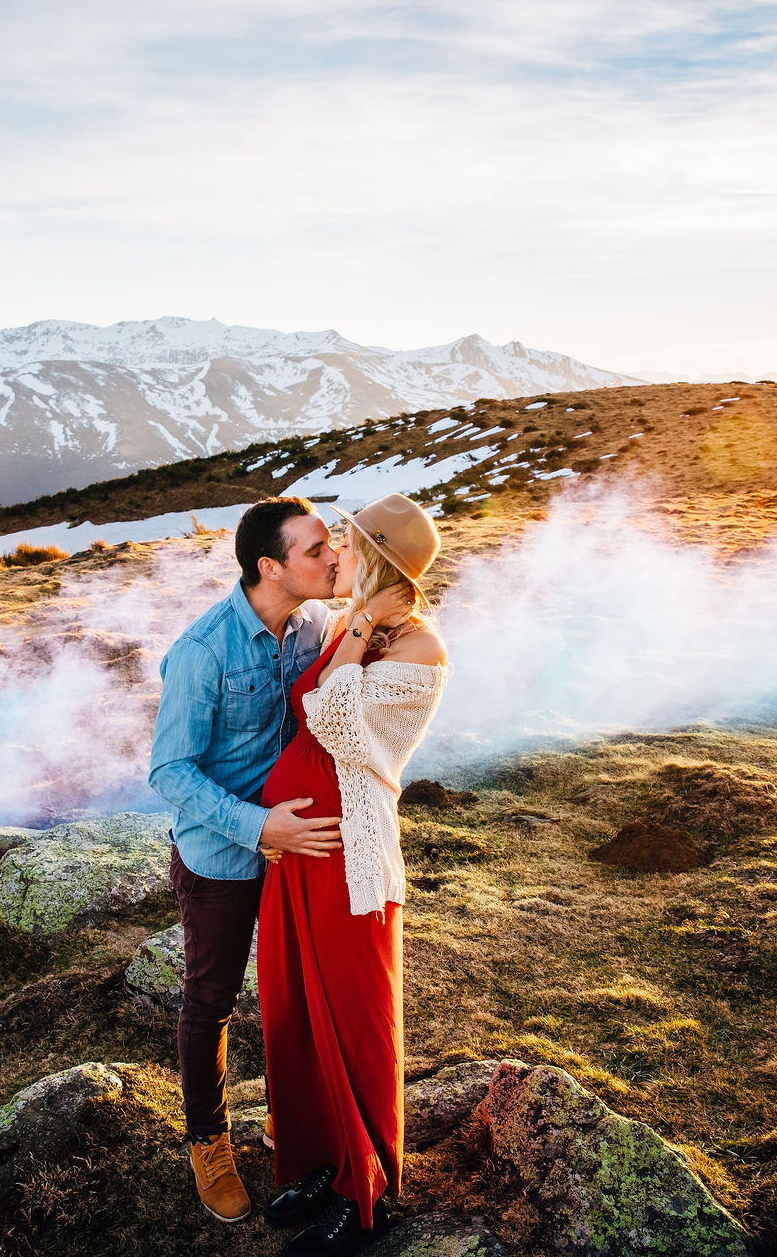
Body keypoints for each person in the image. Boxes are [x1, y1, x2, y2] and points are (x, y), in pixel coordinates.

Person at [256, 493, 450, 1257]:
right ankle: (315, 1158)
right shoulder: (355, 626)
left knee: (354, 1015)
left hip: (351, 853)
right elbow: (312, 700)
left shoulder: (419, 646)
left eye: (351, 538)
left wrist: (363, 625)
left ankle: (361, 1185)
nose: (339, 545)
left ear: (378, 556)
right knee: (298, 1004)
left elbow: (333, 721)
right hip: (302, 844)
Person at [148, 496, 347, 1224]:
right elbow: (169, 770)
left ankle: (296, 1121)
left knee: (296, 992)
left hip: (299, 852)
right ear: (270, 567)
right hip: (221, 855)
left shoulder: (317, 622)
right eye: (317, 549)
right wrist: (260, 827)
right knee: (211, 1001)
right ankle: (207, 1137)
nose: (333, 558)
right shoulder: (203, 651)